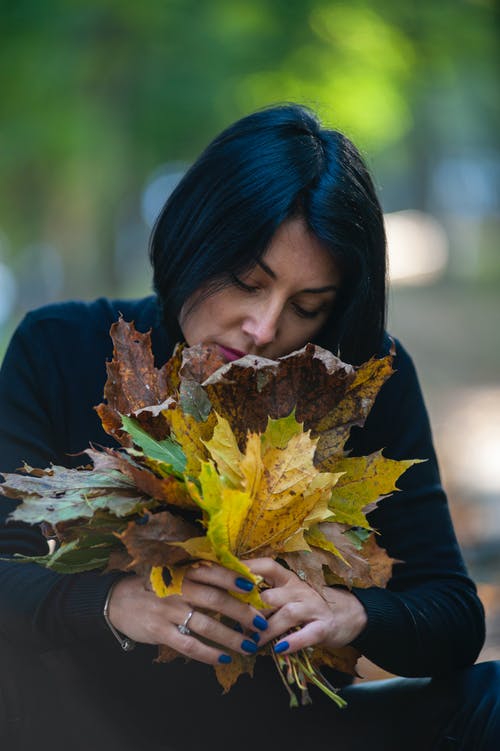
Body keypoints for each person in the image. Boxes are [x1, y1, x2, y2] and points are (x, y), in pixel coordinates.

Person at [0, 103, 498, 751]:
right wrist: (115, 603)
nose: (265, 328)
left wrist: (352, 613)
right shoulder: (59, 347)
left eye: (307, 306)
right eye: (245, 282)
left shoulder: (358, 378)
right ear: (194, 239)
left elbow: (453, 614)